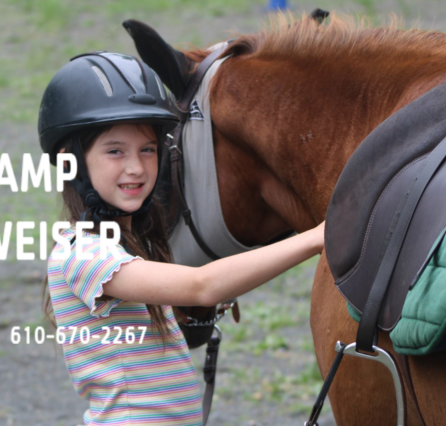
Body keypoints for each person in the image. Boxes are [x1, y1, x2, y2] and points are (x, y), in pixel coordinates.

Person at [39, 51, 325, 426]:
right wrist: (318, 237)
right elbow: (201, 286)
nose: (136, 167)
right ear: (70, 161)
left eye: (148, 149)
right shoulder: (83, 254)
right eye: (115, 151)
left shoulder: (131, 245)